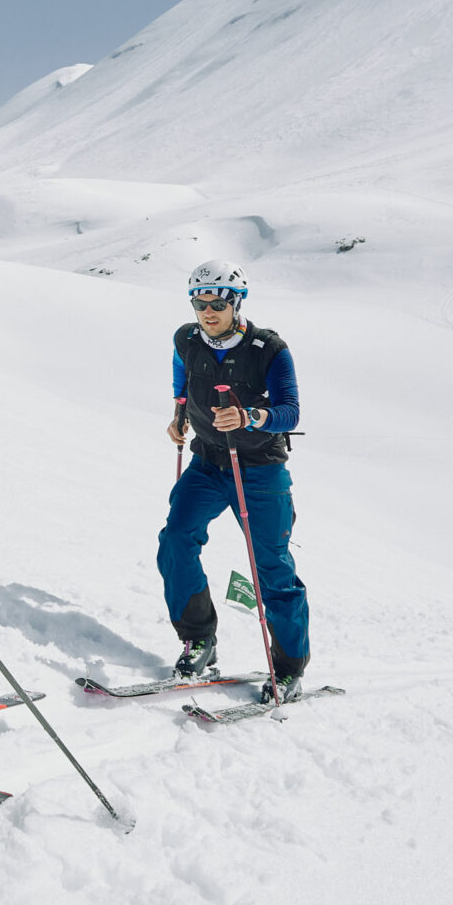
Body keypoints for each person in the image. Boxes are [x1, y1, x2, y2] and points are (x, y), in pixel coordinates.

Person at [159, 261, 312, 702]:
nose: (208, 311)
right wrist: (179, 414)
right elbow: (182, 376)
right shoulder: (186, 339)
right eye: (200, 302)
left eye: (218, 302)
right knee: (176, 540)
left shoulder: (269, 349)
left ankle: (288, 668)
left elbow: (290, 411)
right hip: (208, 462)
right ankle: (199, 640)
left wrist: (251, 417)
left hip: (260, 469)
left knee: (272, 567)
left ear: (237, 302)